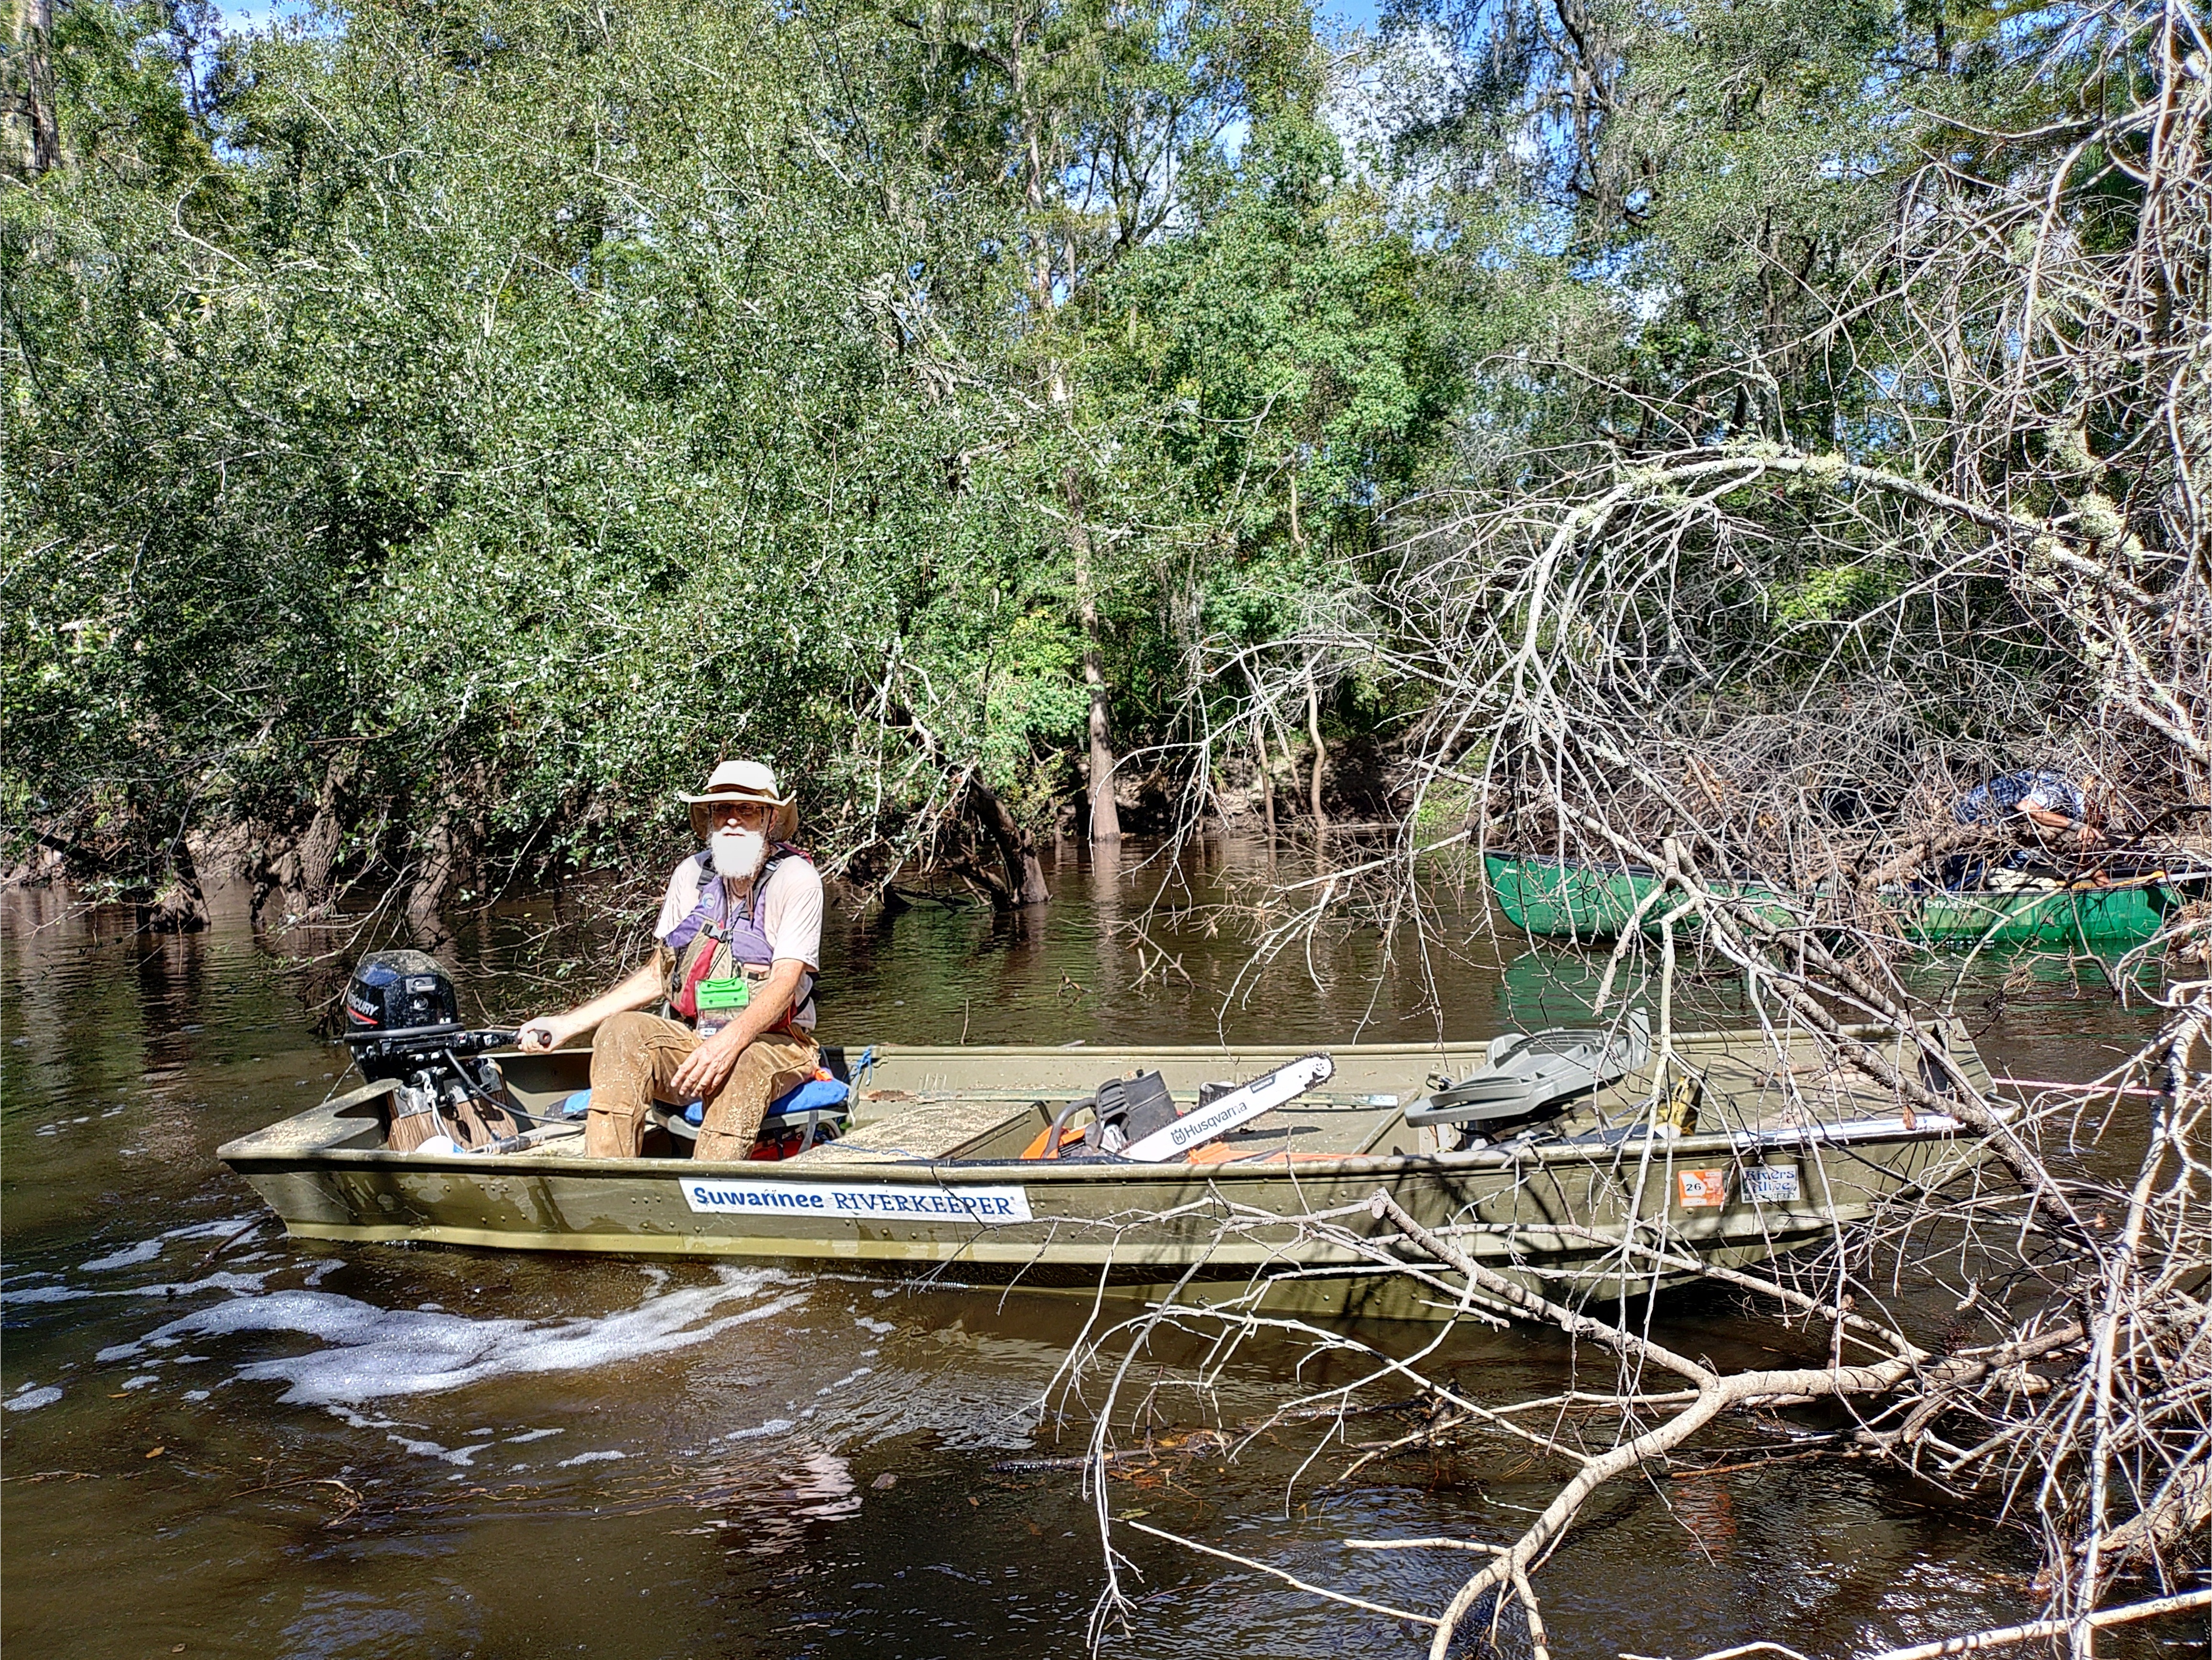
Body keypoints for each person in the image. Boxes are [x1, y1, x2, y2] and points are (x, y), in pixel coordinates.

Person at [516, 760, 824, 1160]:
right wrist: (566, 1026)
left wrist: (728, 1044)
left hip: (778, 1043)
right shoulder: (691, 875)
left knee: (743, 1062)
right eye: (721, 810)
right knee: (621, 1032)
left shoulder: (796, 878)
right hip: (696, 1035)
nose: (733, 821)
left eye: (747, 810)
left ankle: (711, 1190)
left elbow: (785, 984)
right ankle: (606, 1181)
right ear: (709, 819)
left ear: (770, 819)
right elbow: (656, 975)